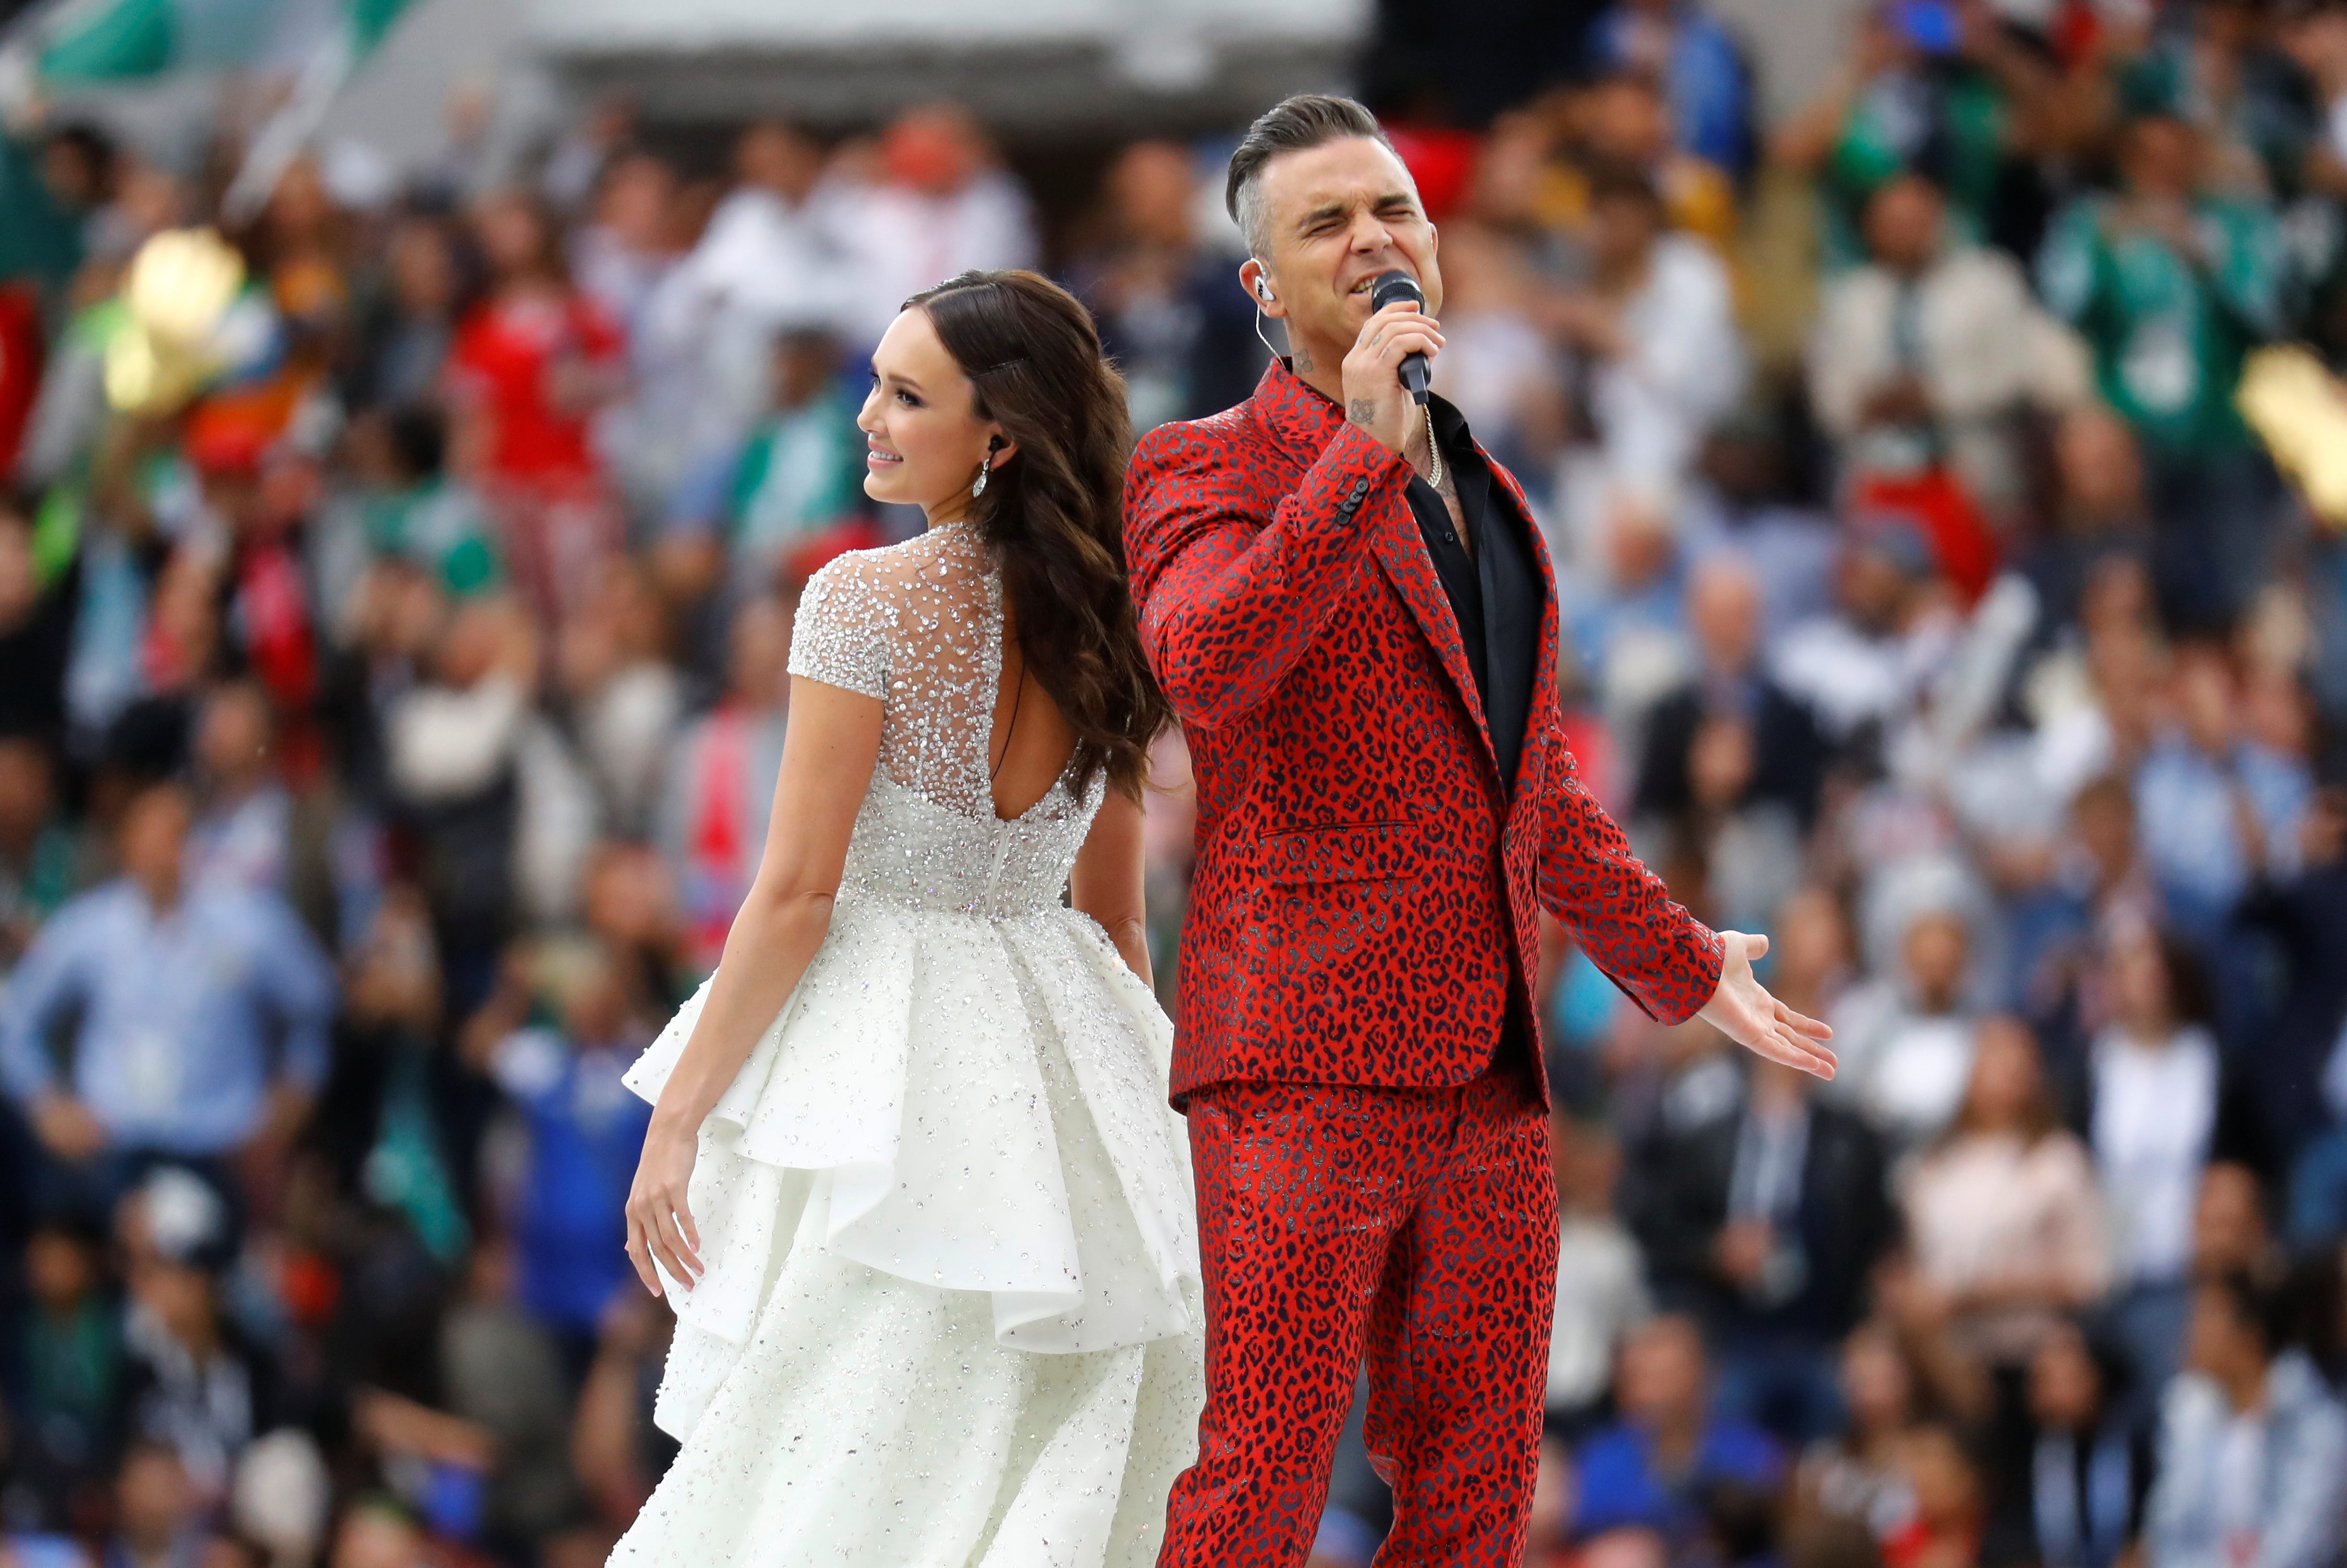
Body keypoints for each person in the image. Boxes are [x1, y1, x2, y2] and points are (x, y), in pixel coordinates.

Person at [1123, 94, 1833, 1561]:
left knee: (1478, 1499)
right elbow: (1206, 665)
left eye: (1394, 209)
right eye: (1327, 222)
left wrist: (1683, 962)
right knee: (1259, 1482)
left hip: (1491, 1081)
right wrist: (1360, 448)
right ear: (1262, 287)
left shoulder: (1494, 492)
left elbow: (1535, 793)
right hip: (1301, 1062)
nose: (1373, 237)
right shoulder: (1201, 465)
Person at [607, 270, 1201, 1567]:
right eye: (876, 384)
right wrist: (1130, 1126)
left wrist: (680, 1113)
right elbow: (1116, 923)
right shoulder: (1115, 611)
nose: (867, 417)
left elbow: (796, 893)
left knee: (833, 1451)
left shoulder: (857, 599)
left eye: (905, 395)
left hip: (882, 1065)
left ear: (1000, 436)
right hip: (1062, 1060)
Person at [0, 782, 334, 1202]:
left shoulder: (247, 921)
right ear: (126, 847)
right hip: (115, 1145)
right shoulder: (90, 928)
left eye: (175, 835)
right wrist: (45, 1105)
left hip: (220, 1145)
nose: (164, 852)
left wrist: (296, 1093)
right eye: (150, 838)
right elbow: (16, 1019)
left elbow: (316, 1004)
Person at [2143, 1270, 2347, 1568]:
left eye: (2205, 1318)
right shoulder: (2187, 1415)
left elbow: (2302, 1543)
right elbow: (2168, 1534)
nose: (2190, 1331)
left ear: (2250, 1333)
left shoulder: (2317, 1426)